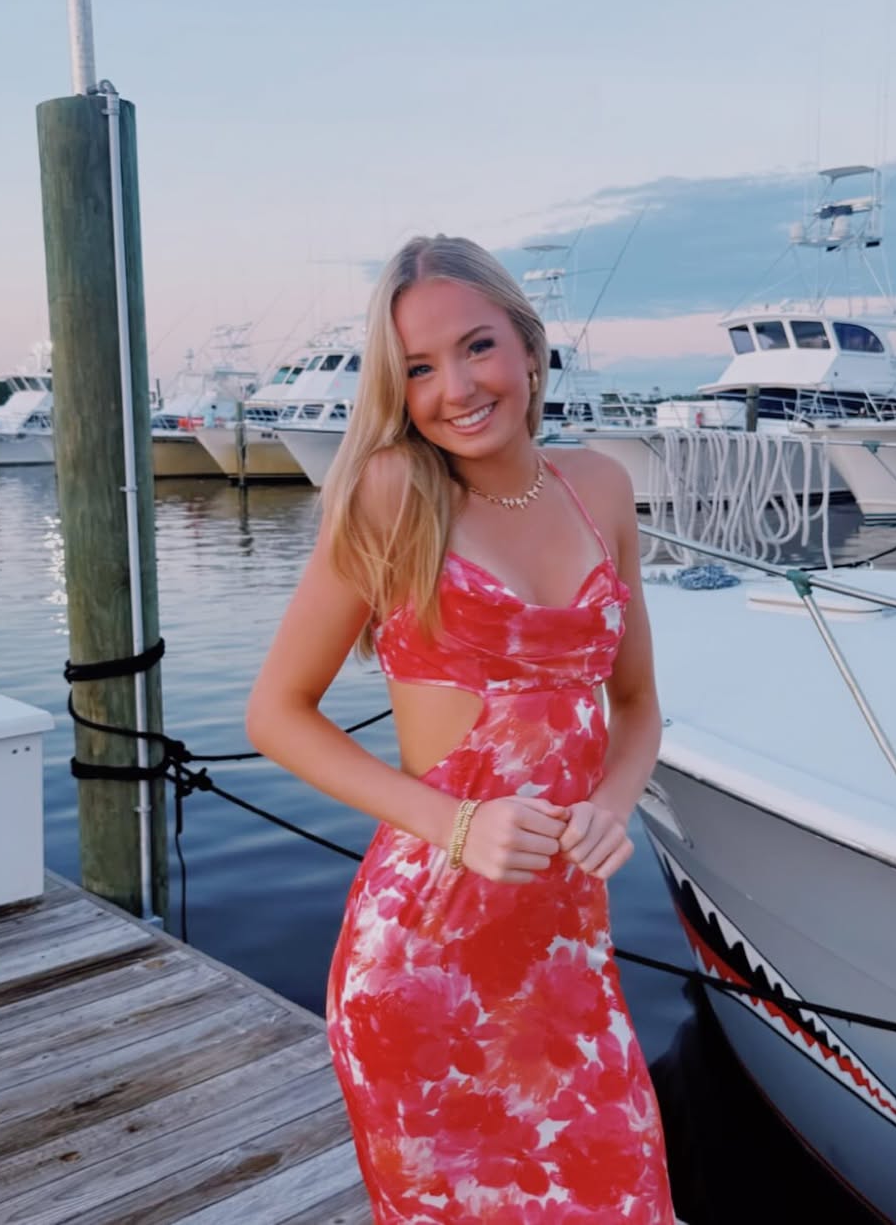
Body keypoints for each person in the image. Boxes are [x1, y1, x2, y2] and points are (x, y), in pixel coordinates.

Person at [246, 235, 675, 1223]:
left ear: (528, 345)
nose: (457, 389)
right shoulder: (394, 493)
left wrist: (613, 805)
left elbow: (638, 705)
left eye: (477, 347)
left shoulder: (600, 486)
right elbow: (275, 712)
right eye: (420, 369)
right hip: (424, 960)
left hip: (564, 952)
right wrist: (458, 823)